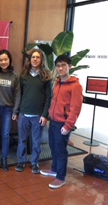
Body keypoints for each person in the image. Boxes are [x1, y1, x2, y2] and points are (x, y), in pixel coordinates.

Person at [40, 54, 83, 189]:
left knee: (60, 150)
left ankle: (61, 177)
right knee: (53, 147)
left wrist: (68, 125)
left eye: (63, 65)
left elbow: (76, 108)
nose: (60, 68)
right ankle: (54, 169)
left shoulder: (75, 86)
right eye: (58, 65)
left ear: (70, 66)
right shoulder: (58, 83)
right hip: (53, 121)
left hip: (63, 124)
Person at [15, 49, 52, 174]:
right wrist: (17, 111)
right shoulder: (24, 75)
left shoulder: (46, 76)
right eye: (32, 57)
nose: (35, 59)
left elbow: (49, 98)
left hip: (38, 116)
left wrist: (45, 115)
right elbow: (19, 94)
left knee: (36, 142)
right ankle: (21, 161)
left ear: (41, 60)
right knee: (22, 140)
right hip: (24, 113)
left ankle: (35, 162)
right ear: (29, 60)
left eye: (37, 57)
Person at [0, 49, 21, 171]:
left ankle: (4, 159)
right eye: (0, 60)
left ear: (9, 60)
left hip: (8, 109)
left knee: (5, 134)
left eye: (5, 59)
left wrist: (15, 111)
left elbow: (18, 94)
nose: (3, 62)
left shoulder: (15, 76)